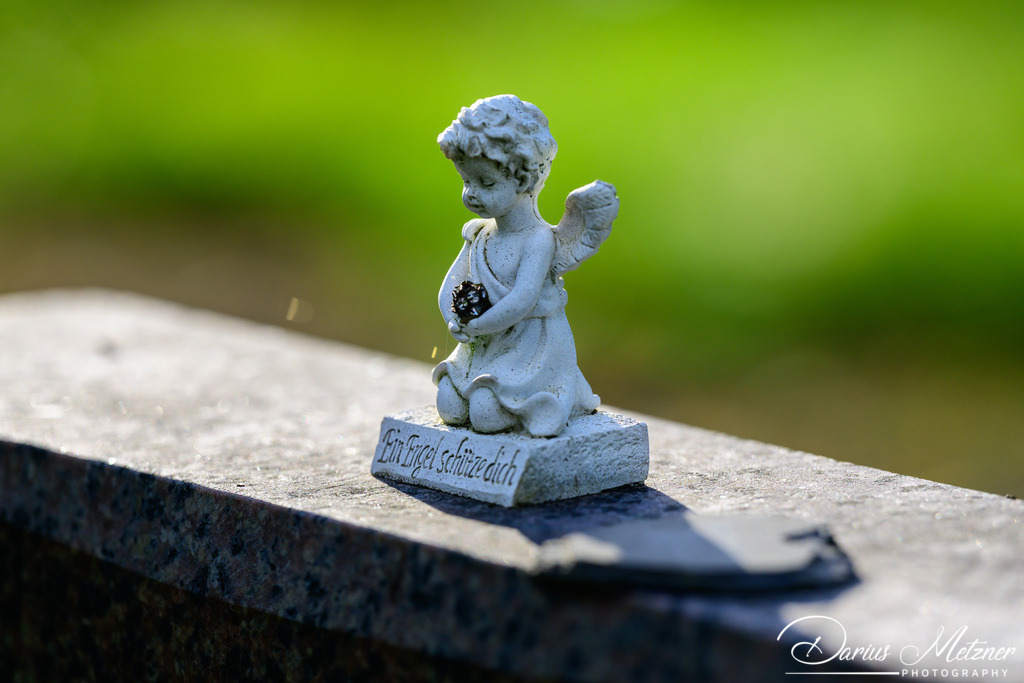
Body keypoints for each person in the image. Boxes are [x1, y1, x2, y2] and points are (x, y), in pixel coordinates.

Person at [432, 95, 601, 437]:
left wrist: (478, 325)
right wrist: (453, 317)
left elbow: (522, 300)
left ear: (523, 179)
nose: (471, 193)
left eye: (486, 183)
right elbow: (451, 284)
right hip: (483, 345)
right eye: (466, 181)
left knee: (485, 414)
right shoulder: (478, 233)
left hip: (530, 349)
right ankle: (479, 387)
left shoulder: (538, 240)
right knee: (448, 404)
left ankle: (536, 401)